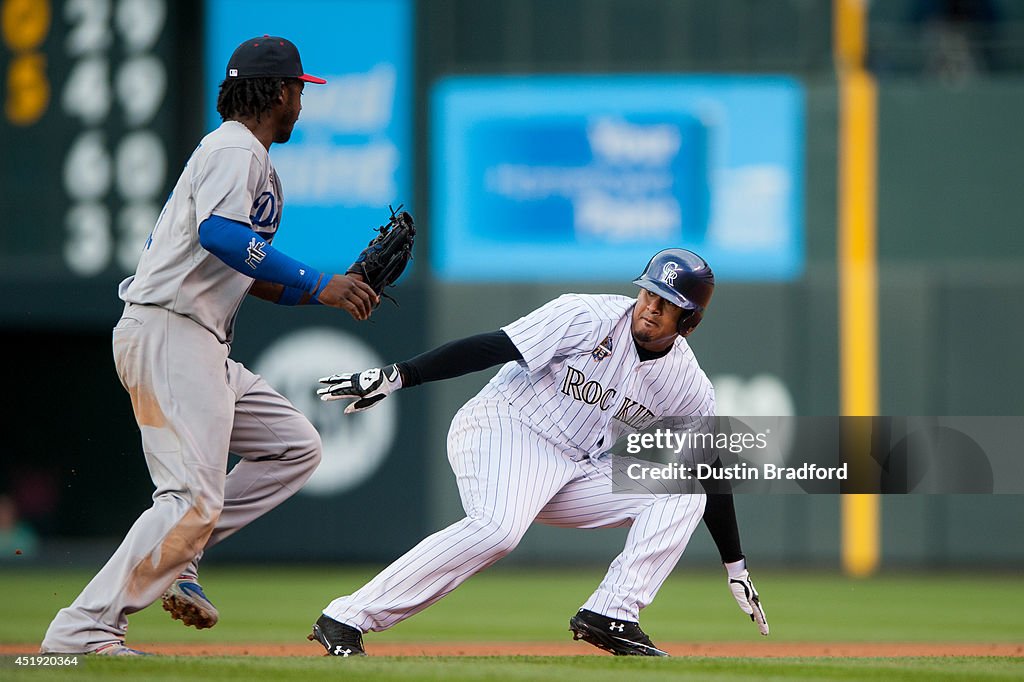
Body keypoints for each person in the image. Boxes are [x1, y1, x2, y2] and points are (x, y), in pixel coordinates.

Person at [41, 36, 380, 656]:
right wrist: (315, 279)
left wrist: (329, 290)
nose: (302, 101)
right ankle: (83, 629)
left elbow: (248, 274)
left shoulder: (253, 160)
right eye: (299, 89)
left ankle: (181, 555)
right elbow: (219, 234)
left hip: (199, 340)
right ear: (277, 91)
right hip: (170, 329)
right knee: (189, 495)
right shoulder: (232, 146)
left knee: (294, 447)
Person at [310, 248, 768, 657]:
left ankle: (611, 614)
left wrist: (735, 564)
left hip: (573, 467)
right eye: (649, 294)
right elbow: (492, 346)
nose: (651, 308)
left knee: (683, 492)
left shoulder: (687, 383)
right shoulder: (586, 316)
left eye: (668, 304)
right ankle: (348, 617)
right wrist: (400, 375)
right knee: (498, 531)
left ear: (689, 321)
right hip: (505, 428)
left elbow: (708, 466)